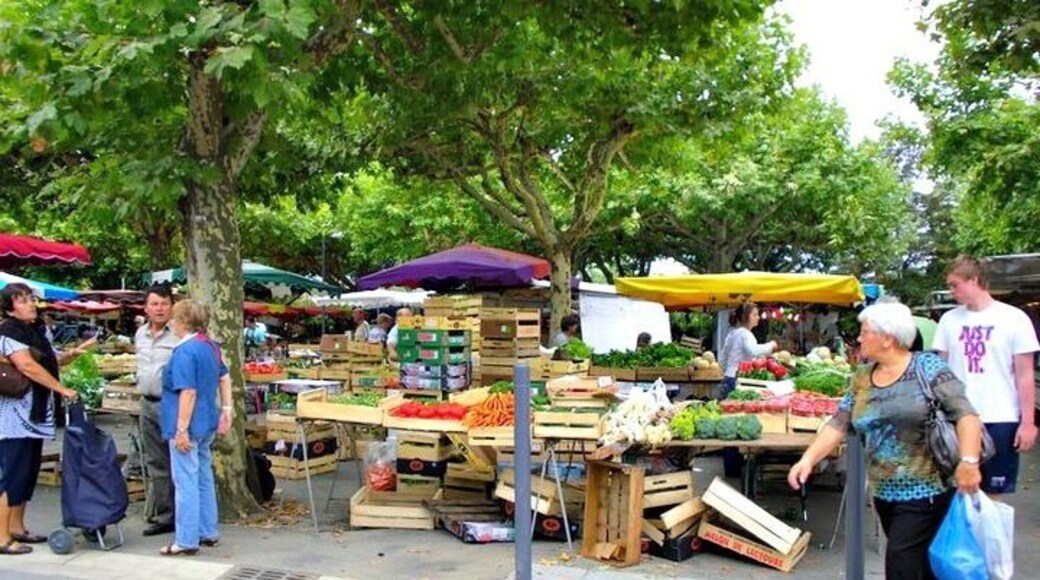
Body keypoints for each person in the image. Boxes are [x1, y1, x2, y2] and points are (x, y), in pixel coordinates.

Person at [788, 301, 983, 579]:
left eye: (864, 332)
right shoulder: (862, 378)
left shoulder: (926, 367)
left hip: (928, 492)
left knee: (900, 566)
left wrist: (969, 461)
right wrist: (808, 460)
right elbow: (839, 423)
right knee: (922, 567)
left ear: (887, 338)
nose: (858, 338)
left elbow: (966, 415)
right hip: (884, 495)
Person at [932, 255, 1038, 496]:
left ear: (975, 280)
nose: (951, 291)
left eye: (955, 284)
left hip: (1000, 416)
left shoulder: (1014, 319)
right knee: (955, 489)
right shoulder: (949, 320)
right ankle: (961, 535)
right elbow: (940, 372)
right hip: (958, 416)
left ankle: (990, 535)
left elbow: (1024, 374)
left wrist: (1028, 422)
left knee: (994, 494)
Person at [0, 283, 81, 555]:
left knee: (26, 473)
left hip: (35, 415)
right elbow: (27, 366)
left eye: (31, 299)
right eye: (22, 300)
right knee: (12, 474)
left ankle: (17, 527)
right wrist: (62, 389)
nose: (30, 304)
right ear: (9, 307)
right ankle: (1, 537)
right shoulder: (9, 331)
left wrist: (69, 355)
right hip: (14, 417)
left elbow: (48, 361)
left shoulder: (35, 331)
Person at [159, 299, 232, 556]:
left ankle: (187, 539)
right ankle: (208, 530)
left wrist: (181, 430)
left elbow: (187, 392)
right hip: (207, 421)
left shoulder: (184, 351)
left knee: (186, 481)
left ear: (181, 322)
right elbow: (224, 376)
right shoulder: (210, 346)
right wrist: (227, 410)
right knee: (203, 476)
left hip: (187, 424)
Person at [135, 284, 180, 537]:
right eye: (154, 304)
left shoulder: (179, 333)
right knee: (156, 461)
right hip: (146, 402)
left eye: (164, 303)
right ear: (146, 308)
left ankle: (184, 516)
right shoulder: (140, 334)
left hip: (171, 403)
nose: (159, 308)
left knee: (178, 461)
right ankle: (165, 517)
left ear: (171, 306)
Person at [718, 302, 778, 395]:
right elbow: (754, 350)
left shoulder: (732, 333)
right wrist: (771, 345)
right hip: (736, 379)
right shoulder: (746, 334)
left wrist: (728, 371)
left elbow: (723, 358)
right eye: (754, 315)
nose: (758, 317)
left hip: (728, 377)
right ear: (745, 317)